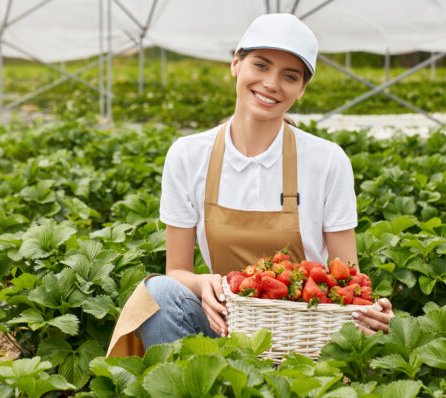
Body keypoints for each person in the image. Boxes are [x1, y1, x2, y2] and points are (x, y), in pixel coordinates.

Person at [106, 13, 394, 357]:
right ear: (236, 65)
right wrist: (202, 283)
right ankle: (193, 390)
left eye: (290, 76)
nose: (271, 83)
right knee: (159, 293)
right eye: (261, 65)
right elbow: (177, 270)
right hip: (224, 326)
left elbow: (347, 275)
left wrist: (367, 309)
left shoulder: (327, 161)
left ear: (301, 90)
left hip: (303, 335)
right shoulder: (188, 155)